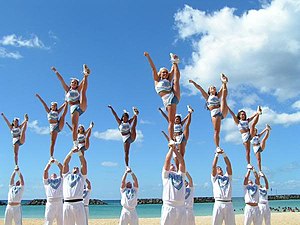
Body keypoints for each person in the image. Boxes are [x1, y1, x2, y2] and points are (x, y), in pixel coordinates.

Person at [51, 64, 90, 148]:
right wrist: (55, 71)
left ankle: (86, 74)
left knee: (83, 91)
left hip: (80, 105)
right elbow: (61, 80)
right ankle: (75, 144)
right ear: (70, 83)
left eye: (76, 83)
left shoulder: (78, 89)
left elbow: (82, 83)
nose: (74, 83)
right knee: (75, 126)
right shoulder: (67, 89)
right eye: (73, 82)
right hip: (73, 108)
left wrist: (84, 76)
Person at [144, 52, 180, 141]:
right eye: (163, 72)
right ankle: (171, 139)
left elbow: (172, 72)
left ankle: (175, 61)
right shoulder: (157, 80)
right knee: (171, 121)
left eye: (166, 72)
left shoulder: (169, 79)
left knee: (176, 80)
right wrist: (148, 56)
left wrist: (173, 63)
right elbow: (153, 68)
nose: (165, 73)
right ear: (159, 74)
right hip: (167, 100)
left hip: (173, 96)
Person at [189, 74, 228, 152]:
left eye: (214, 87)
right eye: (211, 88)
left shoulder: (218, 95)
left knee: (223, 96)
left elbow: (223, 90)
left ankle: (224, 82)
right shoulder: (207, 97)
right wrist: (193, 83)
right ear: (209, 91)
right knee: (217, 131)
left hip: (221, 110)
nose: (213, 88)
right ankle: (217, 147)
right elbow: (200, 88)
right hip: (215, 114)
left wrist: (224, 83)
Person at [161, 141, 186, 225]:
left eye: (173, 164)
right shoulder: (166, 175)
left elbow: (182, 162)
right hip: (169, 206)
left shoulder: (181, 175)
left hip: (181, 207)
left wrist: (175, 149)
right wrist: (171, 148)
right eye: (171, 165)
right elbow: (167, 161)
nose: (172, 164)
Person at [36, 94, 68, 158]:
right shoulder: (49, 111)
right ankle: (51, 156)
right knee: (53, 142)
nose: (54, 107)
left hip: (58, 124)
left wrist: (66, 101)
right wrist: (39, 97)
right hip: (53, 128)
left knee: (63, 115)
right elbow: (44, 103)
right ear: (51, 106)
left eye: (55, 106)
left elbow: (63, 106)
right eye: (53, 106)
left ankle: (68, 102)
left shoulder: (57, 111)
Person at [108, 105, 139, 170]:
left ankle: (136, 114)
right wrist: (111, 108)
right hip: (125, 139)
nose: (125, 119)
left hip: (131, 136)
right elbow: (115, 115)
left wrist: (135, 115)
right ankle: (127, 166)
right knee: (126, 153)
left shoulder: (129, 122)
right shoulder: (120, 122)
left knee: (133, 127)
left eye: (126, 118)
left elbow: (132, 119)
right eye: (124, 117)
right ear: (122, 118)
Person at [62, 148, 88, 225]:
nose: (76, 168)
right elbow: (65, 163)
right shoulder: (66, 176)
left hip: (79, 204)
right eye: (74, 167)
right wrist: (71, 152)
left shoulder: (82, 177)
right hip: (67, 204)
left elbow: (84, 163)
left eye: (77, 168)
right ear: (71, 170)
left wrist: (79, 152)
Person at [211, 149, 236, 225]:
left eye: (220, 168)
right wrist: (217, 155)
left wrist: (224, 154)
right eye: (218, 169)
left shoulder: (228, 177)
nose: (220, 169)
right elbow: (213, 166)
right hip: (218, 203)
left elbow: (229, 165)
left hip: (228, 203)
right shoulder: (215, 178)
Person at [43, 158, 64, 225]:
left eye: (55, 174)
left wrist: (56, 161)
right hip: (50, 203)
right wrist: (50, 162)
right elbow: (45, 171)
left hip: (59, 202)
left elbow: (62, 169)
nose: (54, 174)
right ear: (50, 177)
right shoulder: (47, 181)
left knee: (61, 221)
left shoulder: (60, 179)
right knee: (48, 221)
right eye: (52, 174)